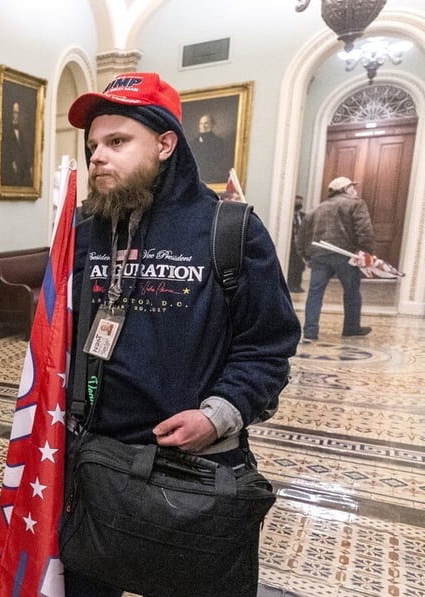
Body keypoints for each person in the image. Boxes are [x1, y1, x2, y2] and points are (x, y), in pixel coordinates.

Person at [63, 72, 300, 595]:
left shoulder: (229, 230)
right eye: (93, 145)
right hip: (96, 465)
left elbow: (269, 345)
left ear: (166, 143)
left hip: (192, 473)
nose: (97, 156)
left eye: (117, 141)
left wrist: (216, 417)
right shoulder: (84, 232)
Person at [297, 176, 375, 340]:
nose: (355, 189)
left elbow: (301, 236)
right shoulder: (356, 204)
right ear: (345, 189)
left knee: (315, 293)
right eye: (352, 187)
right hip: (346, 255)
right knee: (352, 292)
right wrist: (365, 252)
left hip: (319, 255)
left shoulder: (315, 209)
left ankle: (310, 331)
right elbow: (365, 230)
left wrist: (306, 256)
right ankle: (351, 327)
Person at [192, 113, 232, 184]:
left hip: (213, 177)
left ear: (212, 125)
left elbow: (219, 160)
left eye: (206, 123)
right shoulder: (193, 143)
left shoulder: (218, 141)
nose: (203, 126)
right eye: (201, 123)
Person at [1, 100, 33, 186]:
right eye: (15, 113)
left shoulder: (22, 134)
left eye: (18, 113)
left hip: (21, 174)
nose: (16, 116)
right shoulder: (5, 133)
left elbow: (23, 154)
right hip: (9, 175)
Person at [288, 195, 306, 292]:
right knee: (291, 265)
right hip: (290, 245)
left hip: (300, 245)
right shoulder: (288, 216)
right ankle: (290, 284)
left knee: (300, 266)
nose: (299, 204)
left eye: (300, 202)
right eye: (297, 202)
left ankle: (297, 285)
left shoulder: (304, 216)